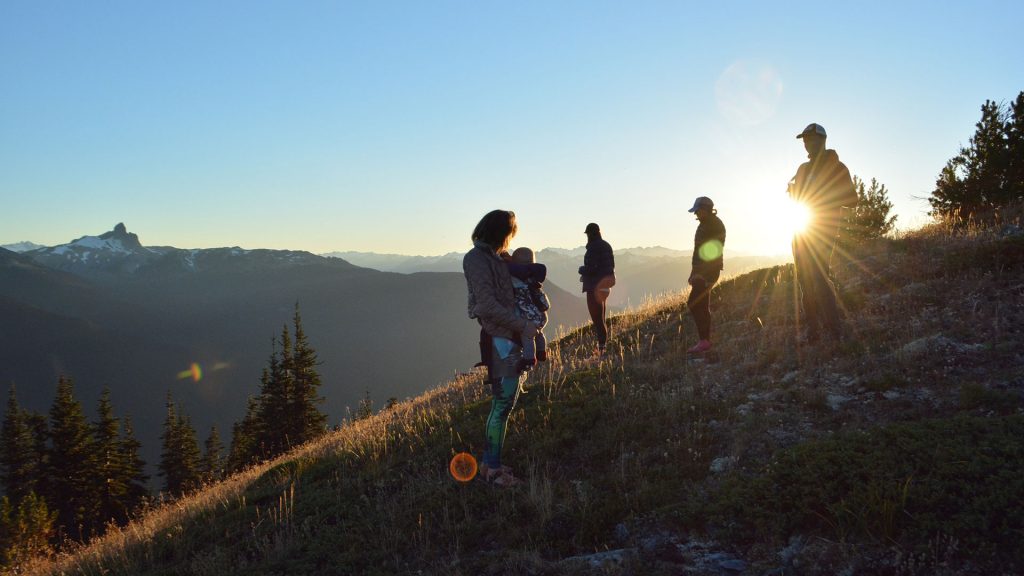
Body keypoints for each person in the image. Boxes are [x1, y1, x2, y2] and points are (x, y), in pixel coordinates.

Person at [463, 210, 538, 487]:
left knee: (504, 404)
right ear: (501, 233)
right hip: (500, 341)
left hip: (508, 338)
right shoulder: (476, 259)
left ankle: (489, 463)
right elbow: (485, 305)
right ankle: (492, 470)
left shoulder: (491, 258)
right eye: (509, 234)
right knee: (502, 404)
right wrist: (522, 325)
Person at [787, 123, 858, 342]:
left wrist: (825, 195)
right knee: (804, 281)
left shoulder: (836, 167)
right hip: (801, 230)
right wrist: (793, 191)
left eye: (811, 139)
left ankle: (834, 329)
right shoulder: (803, 169)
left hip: (823, 230)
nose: (807, 144)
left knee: (818, 277)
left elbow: (853, 200)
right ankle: (813, 330)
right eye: (805, 140)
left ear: (822, 140)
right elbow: (798, 198)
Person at [686, 196, 726, 354]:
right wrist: (693, 272)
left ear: (705, 209)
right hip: (704, 271)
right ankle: (704, 340)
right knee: (700, 304)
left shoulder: (713, 225)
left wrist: (701, 273)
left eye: (697, 210)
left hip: (707, 272)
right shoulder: (707, 224)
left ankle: (704, 340)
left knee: (694, 303)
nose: (695, 214)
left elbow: (712, 250)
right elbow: (698, 252)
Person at [508, 247, 550, 373]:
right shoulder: (534, 278)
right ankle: (541, 352)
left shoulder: (515, 280)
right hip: (541, 314)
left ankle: (529, 360)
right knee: (539, 332)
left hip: (528, 316)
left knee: (527, 336)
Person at [578, 222, 615, 355]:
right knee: (601, 318)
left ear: (589, 234)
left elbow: (592, 268)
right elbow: (609, 266)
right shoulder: (606, 245)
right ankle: (603, 345)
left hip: (594, 287)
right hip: (605, 287)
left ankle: (602, 349)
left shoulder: (593, 248)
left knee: (597, 319)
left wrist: (581, 270)